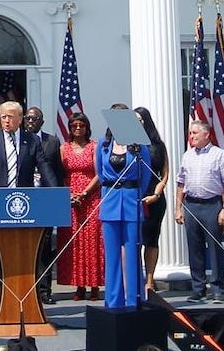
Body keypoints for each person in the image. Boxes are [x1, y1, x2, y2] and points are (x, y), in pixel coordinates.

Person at [0, 100, 58, 301]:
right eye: (3, 117)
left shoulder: (32, 140)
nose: (6, 121)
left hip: (24, 208)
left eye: (10, 117)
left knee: (24, 255)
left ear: (20, 118)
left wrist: (55, 194)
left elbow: (45, 168)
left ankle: (25, 300)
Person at [174, 119, 224, 302]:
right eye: (191, 133)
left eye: (195, 133)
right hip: (192, 204)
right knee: (194, 248)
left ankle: (218, 288)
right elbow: (181, 183)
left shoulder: (221, 155)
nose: (191, 136)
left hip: (212, 205)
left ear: (206, 134)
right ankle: (198, 288)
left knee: (215, 248)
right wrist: (178, 208)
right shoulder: (187, 155)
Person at [96, 115, 153, 310]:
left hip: (130, 200)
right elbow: (101, 173)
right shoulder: (103, 145)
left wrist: (134, 193)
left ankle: (133, 299)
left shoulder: (139, 147)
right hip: (110, 201)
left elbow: (145, 176)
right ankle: (113, 300)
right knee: (111, 255)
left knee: (131, 252)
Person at [57, 112, 103, 301]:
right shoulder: (63, 148)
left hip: (90, 197)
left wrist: (84, 193)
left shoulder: (94, 147)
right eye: (74, 125)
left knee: (92, 241)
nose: (78, 129)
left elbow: (100, 174)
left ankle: (94, 286)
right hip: (70, 198)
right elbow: (59, 174)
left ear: (87, 127)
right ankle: (79, 286)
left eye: (81, 125)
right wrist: (69, 195)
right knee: (73, 242)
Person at [23, 106, 64, 304]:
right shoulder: (19, 140)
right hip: (23, 201)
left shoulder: (52, 142)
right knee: (25, 247)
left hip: (44, 201)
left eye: (34, 118)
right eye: (27, 118)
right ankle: (26, 289)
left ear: (42, 121)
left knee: (45, 247)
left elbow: (57, 172)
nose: (30, 121)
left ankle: (44, 291)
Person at [132, 106, 170, 294]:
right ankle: (135, 278)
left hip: (154, 198)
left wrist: (156, 193)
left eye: (140, 119)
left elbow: (164, 174)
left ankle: (149, 280)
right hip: (133, 197)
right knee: (133, 240)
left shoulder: (157, 145)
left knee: (151, 239)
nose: (137, 123)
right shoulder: (129, 145)